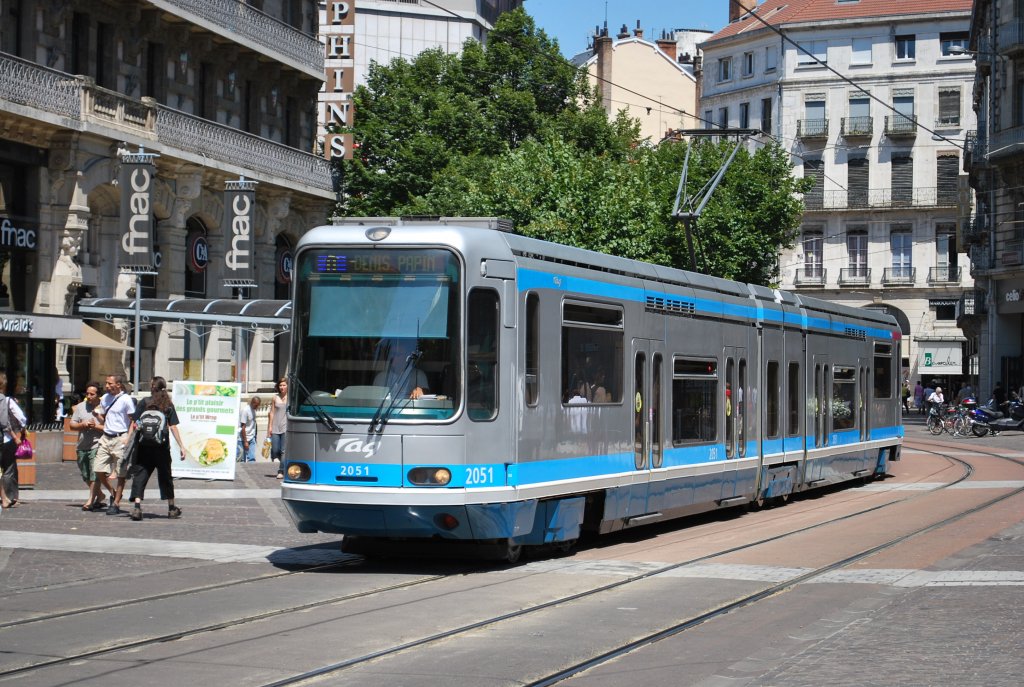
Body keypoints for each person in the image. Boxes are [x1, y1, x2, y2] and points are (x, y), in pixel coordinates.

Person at [127, 377, 185, 521]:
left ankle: (137, 508)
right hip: (162, 447)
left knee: (140, 475)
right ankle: (171, 508)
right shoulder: (168, 405)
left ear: (152, 387)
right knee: (165, 476)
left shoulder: (144, 402)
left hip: (143, 446)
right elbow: (173, 427)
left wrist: (128, 441)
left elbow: (135, 423)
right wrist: (181, 446)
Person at [91, 374, 136, 515]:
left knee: (121, 473)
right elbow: (104, 417)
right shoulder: (105, 398)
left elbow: (133, 421)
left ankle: (116, 503)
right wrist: (97, 414)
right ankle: (113, 492)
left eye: (110, 383)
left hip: (120, 438)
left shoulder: (126, 400)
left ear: (118, 384)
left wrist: (127, 438)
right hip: (106, 437)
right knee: (98, 469)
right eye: (106, 383)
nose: (107, 386)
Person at [70, 382, 113, 511]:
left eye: (92, 394)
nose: (88, 396)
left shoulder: (104, 408)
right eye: (87, 393)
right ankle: (101, 494)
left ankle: (90, 500)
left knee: (94, 473)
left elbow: (109, 428)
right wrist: (83, 424)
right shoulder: (81, 407)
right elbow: (72, 425)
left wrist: (96, 426)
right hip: (82, 445)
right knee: (85, 474)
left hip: (98, 444)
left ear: (98, 395)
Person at [0, 372, 27, 510]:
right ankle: (10, 497)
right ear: (3, 385)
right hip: (5, 439)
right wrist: (18, 434)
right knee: (8, 468)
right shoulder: (7, 400)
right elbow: (22, 418)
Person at [267, 377, 288, 479]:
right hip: (275, 426)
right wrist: (269, 427)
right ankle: (285, 463)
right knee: (275, 450)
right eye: (280, 385)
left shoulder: (291, 398)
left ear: (288, 386)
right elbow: (271, 413)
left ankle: (281, 470)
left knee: (284, 450)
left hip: (286, 427)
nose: (282, 387)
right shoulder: (275, 397)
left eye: (284, 385)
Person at [237, 396, 259, 463]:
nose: (257, 407)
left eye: (258, 405)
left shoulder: (253, 410)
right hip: (242, 438)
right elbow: (243, 426)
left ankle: (252, 472)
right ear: (252, 402)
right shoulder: (245, 410)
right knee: (241, 459)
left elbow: (254, 424)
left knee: (252, 458)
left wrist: (255, 436)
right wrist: (245, 441)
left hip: (251, 437)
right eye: (256, 405)